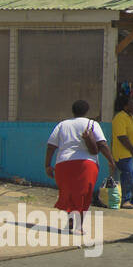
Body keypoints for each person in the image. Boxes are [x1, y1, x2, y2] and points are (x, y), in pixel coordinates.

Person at [45, 100, 113, 233]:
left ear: (73, 111)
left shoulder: (62, 125)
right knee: (83, 195)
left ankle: (71, 221)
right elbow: (103, 144)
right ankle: (79, 226)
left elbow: (51, 146)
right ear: (87, 111)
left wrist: (47, 165)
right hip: (87, 164)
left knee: (69, 194)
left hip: (63, 164)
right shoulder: (92, 124)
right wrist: (111, 160)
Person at [110, 93, 133, 209]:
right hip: (124, 154)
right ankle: (125, 200)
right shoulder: (120, 117)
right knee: (129, 175)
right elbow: (122, 137)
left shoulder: (130, 117)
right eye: (131, 103)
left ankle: (132, 199)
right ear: (125, 106)